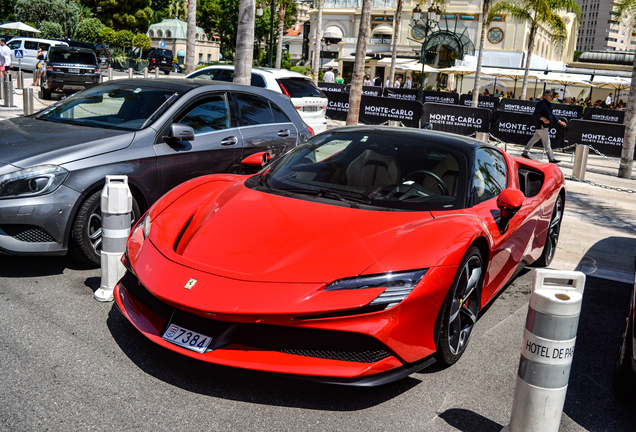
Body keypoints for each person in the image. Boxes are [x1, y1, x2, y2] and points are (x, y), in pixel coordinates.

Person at [521, 90, 567, 164]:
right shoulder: (541, 103)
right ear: (546, 96)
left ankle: (525, 153)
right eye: (551, 96)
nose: (552, 97)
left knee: (533, 140)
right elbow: (536, 113)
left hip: (542, 127)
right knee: (547, 144)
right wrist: (543, 119)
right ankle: (551, 159)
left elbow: (551, 115)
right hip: (542, 126)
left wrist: (560, 121)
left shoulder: (547, 104)